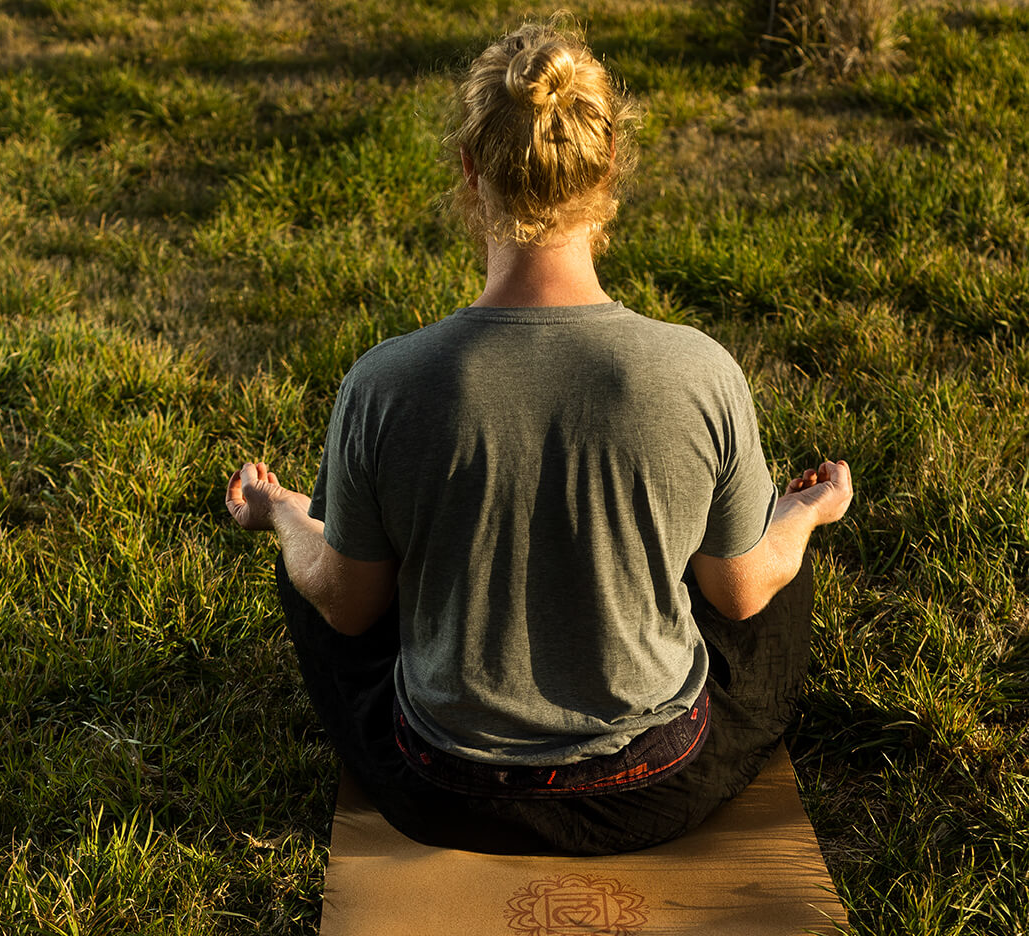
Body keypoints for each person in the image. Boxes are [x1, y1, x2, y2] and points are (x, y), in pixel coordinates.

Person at [225, 19, 853, 855]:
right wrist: (804, 514)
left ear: (469, 171)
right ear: (608, 171)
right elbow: (737, 596)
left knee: (320, 571)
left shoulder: (384, 383)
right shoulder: (698, 372)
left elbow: (347, 604)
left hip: (442, 788)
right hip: (650, 788)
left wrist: (284, 518)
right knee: (771, 564)